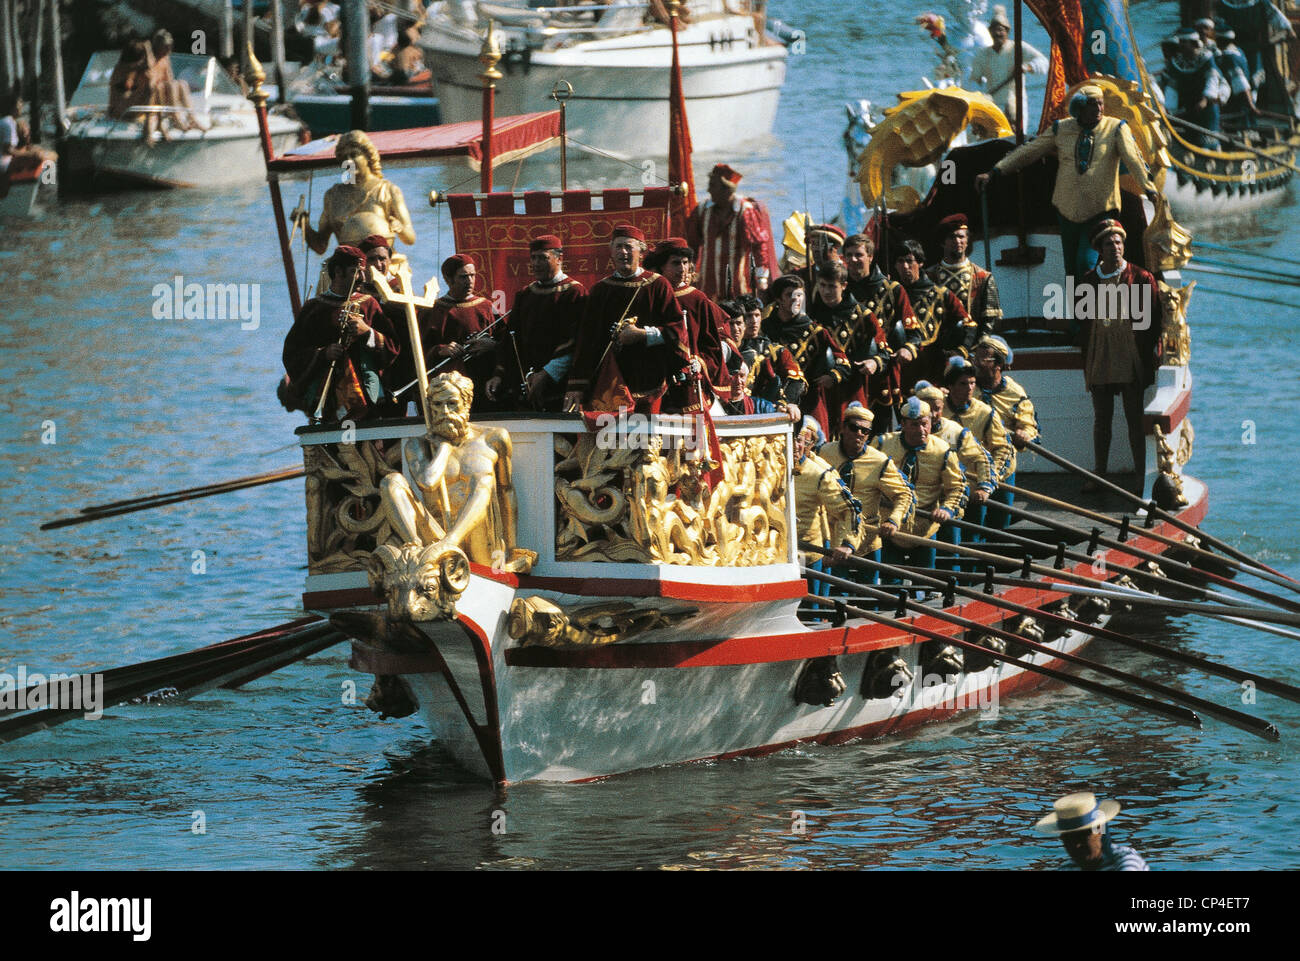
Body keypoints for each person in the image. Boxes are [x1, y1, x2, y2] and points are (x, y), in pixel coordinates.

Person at [975, 84, 1160, 280]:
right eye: (1092, 105)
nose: (1098, 109)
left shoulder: (1115, 128)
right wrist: (996, 171)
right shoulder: (1061, 129)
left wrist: (1149, 188)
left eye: (1100, 104)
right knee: (1071, 269)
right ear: (1079, 108)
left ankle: (1090, 308)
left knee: (1085, 263)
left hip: (1100, 209)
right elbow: (1029, 151)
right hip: (1067, 209)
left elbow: (1134, 159)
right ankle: (1077, 309)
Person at [564, 223, 692, 414]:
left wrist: (642, 335)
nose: (623, 252)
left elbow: (677, 331)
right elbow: (587, 342)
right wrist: (576, 385)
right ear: (611, 251)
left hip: (651, 382)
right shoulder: (601, 290)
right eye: (618, 246)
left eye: (628, 247)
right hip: (609, 386)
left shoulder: (657, 285)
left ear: (641, 253)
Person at [1077, 219, 1162, 494]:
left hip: (1129, 353)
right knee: (1101, 419)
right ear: (1099, 249)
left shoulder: (1140, 277)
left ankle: (1140, 477)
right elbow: (1082, 321)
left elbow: (1152, 321)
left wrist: (1148, 356)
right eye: (1109, 243)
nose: (1115, 247)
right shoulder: (1089, 280)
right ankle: (1099, 475)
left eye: (1118, 242)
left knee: (1134, 418)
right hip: (1100, 352)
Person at [281, 245, 399, 422]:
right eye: (355, 272)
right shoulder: (314, 308)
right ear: (338, 271)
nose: (362, 278)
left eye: (362, 272)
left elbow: (393, 347)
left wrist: (367, 333)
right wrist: (323, 354)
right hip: (327, 400)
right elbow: (291, 354)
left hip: (367, 400)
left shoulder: (369, 304)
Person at [815, 404, 916, 585]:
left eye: (865, 431)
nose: (859, 433)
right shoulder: (823, 453)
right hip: (831, 540)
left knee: (870, 600)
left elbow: (904, 494)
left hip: (867, 541)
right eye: (854, 428)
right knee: (833, 601)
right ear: (843, 428)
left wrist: (893, 520)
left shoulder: (880, 461)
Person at [871, 397, 965, 591]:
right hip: (889, 526)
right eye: (915, 425)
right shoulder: (881, 444)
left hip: (925, 528)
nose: (921, 430)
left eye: (925, 424)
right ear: (903, 424)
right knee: (891, 586)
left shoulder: (943, 450)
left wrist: (947, 509)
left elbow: (957, 486)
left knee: (925, 585)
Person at [487, 235, 586, 412]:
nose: (536, 263)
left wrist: (546, 374)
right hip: (526, 386)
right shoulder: (525, 294)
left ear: (559, 258)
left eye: (543, 258)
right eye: (533, 258)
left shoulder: (574, 293)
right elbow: (512, 340)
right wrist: (499, 374)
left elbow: (577, 342)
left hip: (559, 386)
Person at [843, 233, 918, 433]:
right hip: (850, 373)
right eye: (848, 255)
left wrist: (908, 350)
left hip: (884, 373)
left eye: (858, 255)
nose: (853, 260)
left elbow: (914, 333)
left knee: (880, 434)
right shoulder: (840, 291)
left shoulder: (893, 290)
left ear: (870, 256)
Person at [297, 130, 417, 254]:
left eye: (354, 155)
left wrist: (400, 228)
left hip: (383, 265)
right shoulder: (332, 196)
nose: (349, 161)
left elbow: (410, 239)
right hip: (347, 266)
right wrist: (305, 225)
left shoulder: (388, 190)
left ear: (368, 157)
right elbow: (321, 246)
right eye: (344, 158)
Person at [647, 237, 732, 411]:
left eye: (685, 263)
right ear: (662, 266)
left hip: (689, 386)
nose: (683, 269)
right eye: (676, 263)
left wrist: (700, 362)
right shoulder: (650, 295)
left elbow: (712, 346)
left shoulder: (697, 299)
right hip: (654, 382)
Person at [761, 275, 852, 437]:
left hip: (809, 403)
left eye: (799, 295)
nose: (796, 300)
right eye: (790, 295)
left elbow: (843, 362)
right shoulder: (764, 329)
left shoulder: (816, 331)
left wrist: (832, 376)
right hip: (772, 402)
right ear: (778, 299)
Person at [914, 380, 991, 563]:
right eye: (927, 410)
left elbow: (982, 459)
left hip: (949, 503)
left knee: (949, 556)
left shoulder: (955, 432)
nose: (933, 414)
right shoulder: (906, 433)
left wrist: (984, 486)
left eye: (937, 408)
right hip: (919, 506)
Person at [940, 357, 1015, 534]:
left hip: (986, 477)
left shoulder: (985, 413)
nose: (970, 388)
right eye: (963, 384)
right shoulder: (939, 410)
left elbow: (1003, 449)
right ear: (950, 387)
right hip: (953, 481)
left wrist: (986, 483)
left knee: (991, 530)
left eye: (973, 383)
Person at [416, 254, 498, 411]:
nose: (470, 281)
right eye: (463, 277)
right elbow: (418, 350)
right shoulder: (432, 310)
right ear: (448, 279)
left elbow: (505, 342)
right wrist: (440, 350)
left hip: (483, 385)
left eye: (472, 275)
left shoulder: (486, 307)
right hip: (448, 391)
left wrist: (492, 345)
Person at [684, 163, 779, 299]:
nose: (708, 190)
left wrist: (761, 278)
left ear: (727, 189)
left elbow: (758, 246)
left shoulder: (745, 211)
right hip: (708, 285)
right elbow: (691, 244)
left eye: (712, 186)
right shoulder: (702, 210)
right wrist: (689, 270)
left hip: (738, 285)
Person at [972, 335, 1038, 530]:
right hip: (972, 468)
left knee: (1000, 523)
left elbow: (1029, 424)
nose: (976, 365)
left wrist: (1024, 433)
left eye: (983, 361)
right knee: (974, 523)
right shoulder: (966, 387)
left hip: (1003, 466)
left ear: (998, 364)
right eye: (975, 359)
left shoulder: (1015, 393)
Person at [793, 416, 863, 598]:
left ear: (808, 444)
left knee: (814, 613)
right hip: (777, 558)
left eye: (800, 441)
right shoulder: (768, 468)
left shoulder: (819, 474)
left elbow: (850, 510)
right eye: (790, 440)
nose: (794, 446)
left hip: (810, 555)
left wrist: (846, 544)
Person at [894, 239, 977, 390]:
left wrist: (960, 351)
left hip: (935, 369)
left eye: (909, 261)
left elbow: (969, 325)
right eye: (900, 261)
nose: (905, 266)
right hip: (902, 371)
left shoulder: (941, 294)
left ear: (920, 263)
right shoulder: (892, 295)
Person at [968, 5, 1048, 127]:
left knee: (1016, 138)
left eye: (1001, 30)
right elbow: (974, 80)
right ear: (990, 32)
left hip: (1016, 105)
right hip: (992, 104)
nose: (998, 33)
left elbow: (1043, 62)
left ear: (1007, 32)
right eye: (994, 30)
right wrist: (978, 95)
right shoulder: (982, 54)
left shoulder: (1018, 48)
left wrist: (1027, 67)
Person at [926, 213, 1002, 340]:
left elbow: (989, 320)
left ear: (967, 241)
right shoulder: (929, 276)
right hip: (937, 345)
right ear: (942, 243)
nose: (957, 241)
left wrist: (980, 345)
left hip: (971, 346)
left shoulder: (983, 277)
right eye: (952, 237)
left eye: (961, 237)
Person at [1035, 792, 1149, 871]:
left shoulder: (1126, 859)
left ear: (1099, 831)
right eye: (1068, 840)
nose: (1076, 846)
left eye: (1081, 838)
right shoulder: (1067, 868)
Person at [1166, 29, 1228, 148]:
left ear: (1193, 43)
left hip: (1206, 106)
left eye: (1184, 42)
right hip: (1189, 107)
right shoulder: (1177, 62)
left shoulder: (1206, 58)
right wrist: (1169, 108)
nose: (1181, 45)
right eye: (1180, 42)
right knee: (1191, 139)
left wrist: (1205, 100)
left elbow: (1213, 79)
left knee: (1208, 140)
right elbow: (1172, 86)